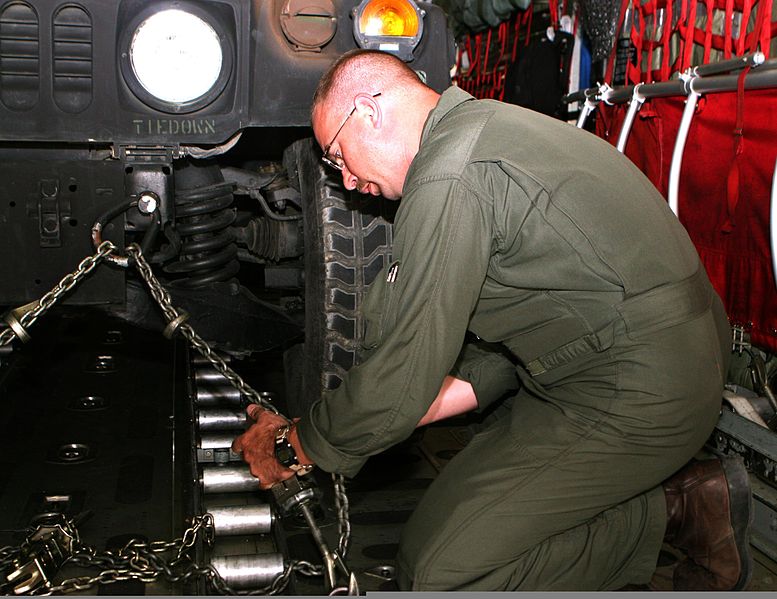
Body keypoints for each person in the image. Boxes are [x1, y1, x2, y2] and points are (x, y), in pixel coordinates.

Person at [232, 49, 752, 591]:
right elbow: (529, 321)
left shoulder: (449, 178)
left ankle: (676, 510)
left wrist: (297, 446)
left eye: (338, 156)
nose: (346, 181)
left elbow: (403, 373)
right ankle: (676, 502)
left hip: (639, 385)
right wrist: (365, 419)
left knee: (443, 575)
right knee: (446, 525)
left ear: (369, 110)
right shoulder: (487, 127)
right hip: (637, 359)